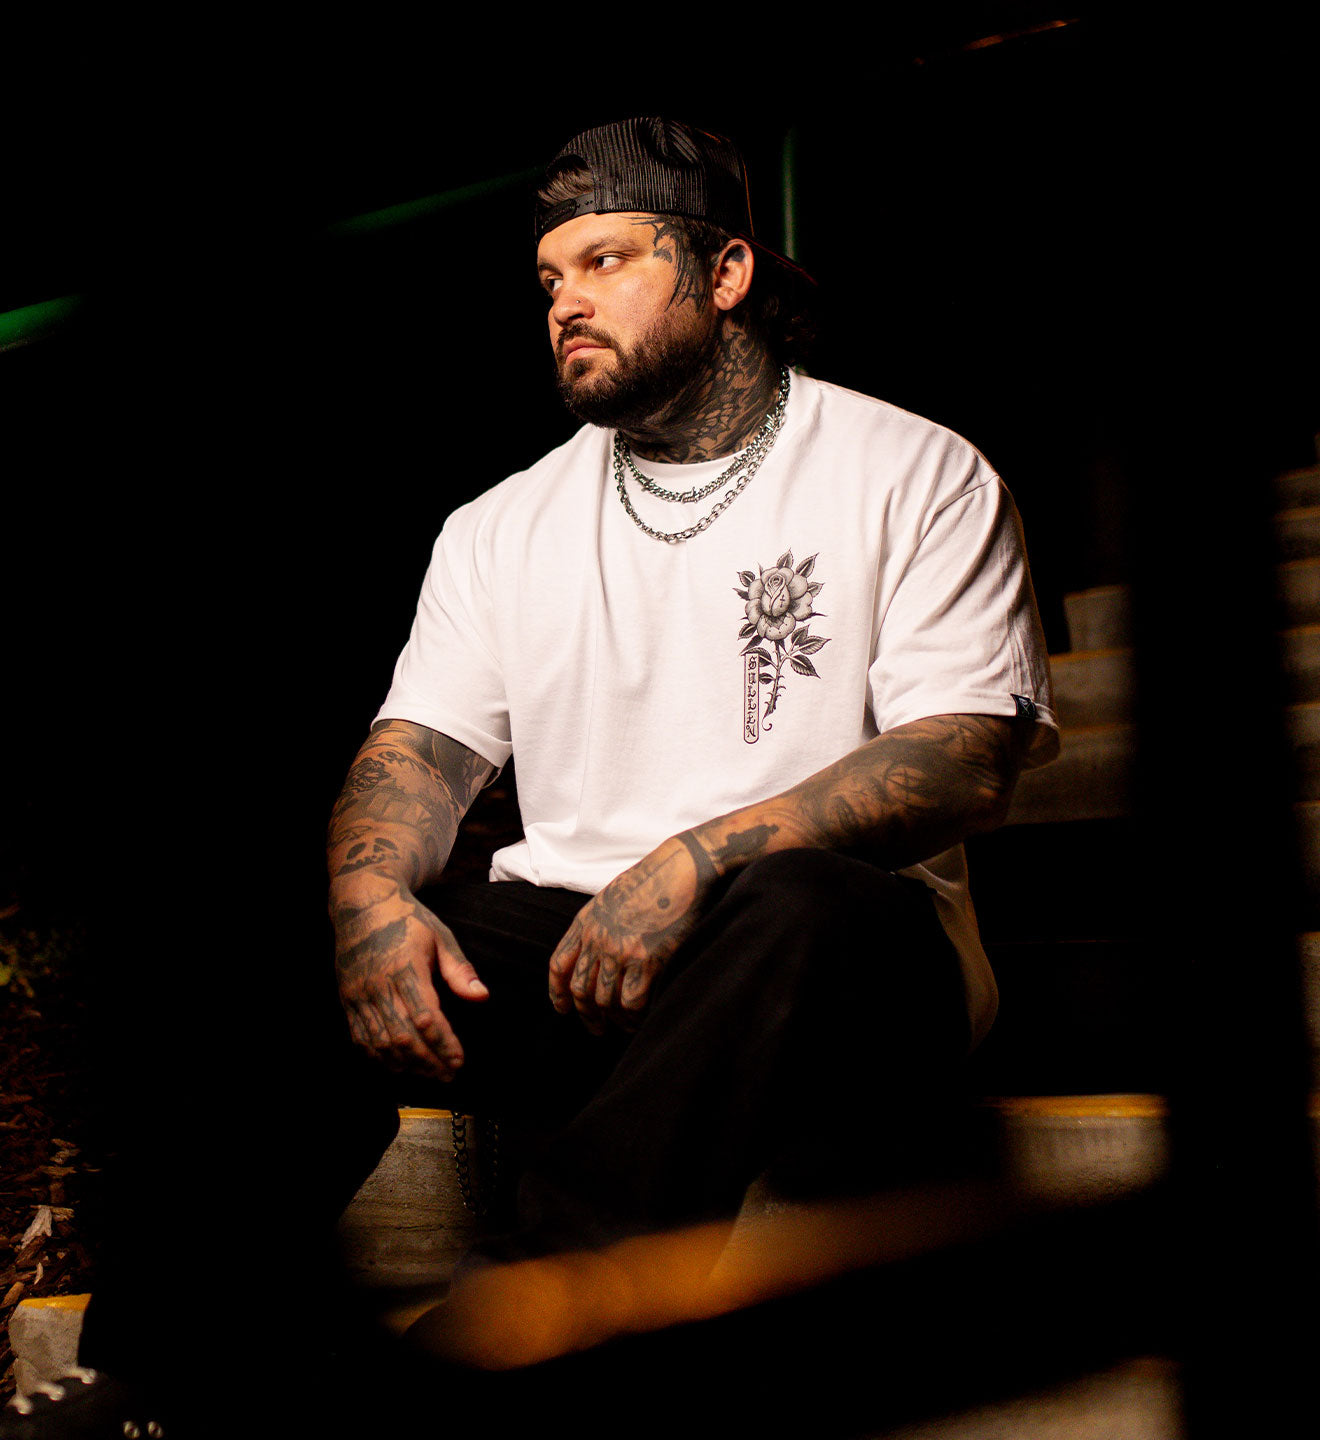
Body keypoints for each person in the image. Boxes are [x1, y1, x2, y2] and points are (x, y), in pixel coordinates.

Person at [328, 116, 1059, 1273]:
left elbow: (965, 753)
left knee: (798, 903)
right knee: (312, 924)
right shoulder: (497, 527)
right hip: (583, 969)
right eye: (549, 277)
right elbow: (416, 754)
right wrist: (368, 898)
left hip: (838, 974)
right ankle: (151, 1371)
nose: (566, 300)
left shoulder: (915, 471)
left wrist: (696, 860)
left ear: (726, 272)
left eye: (607, 261)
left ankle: (543, 1315)